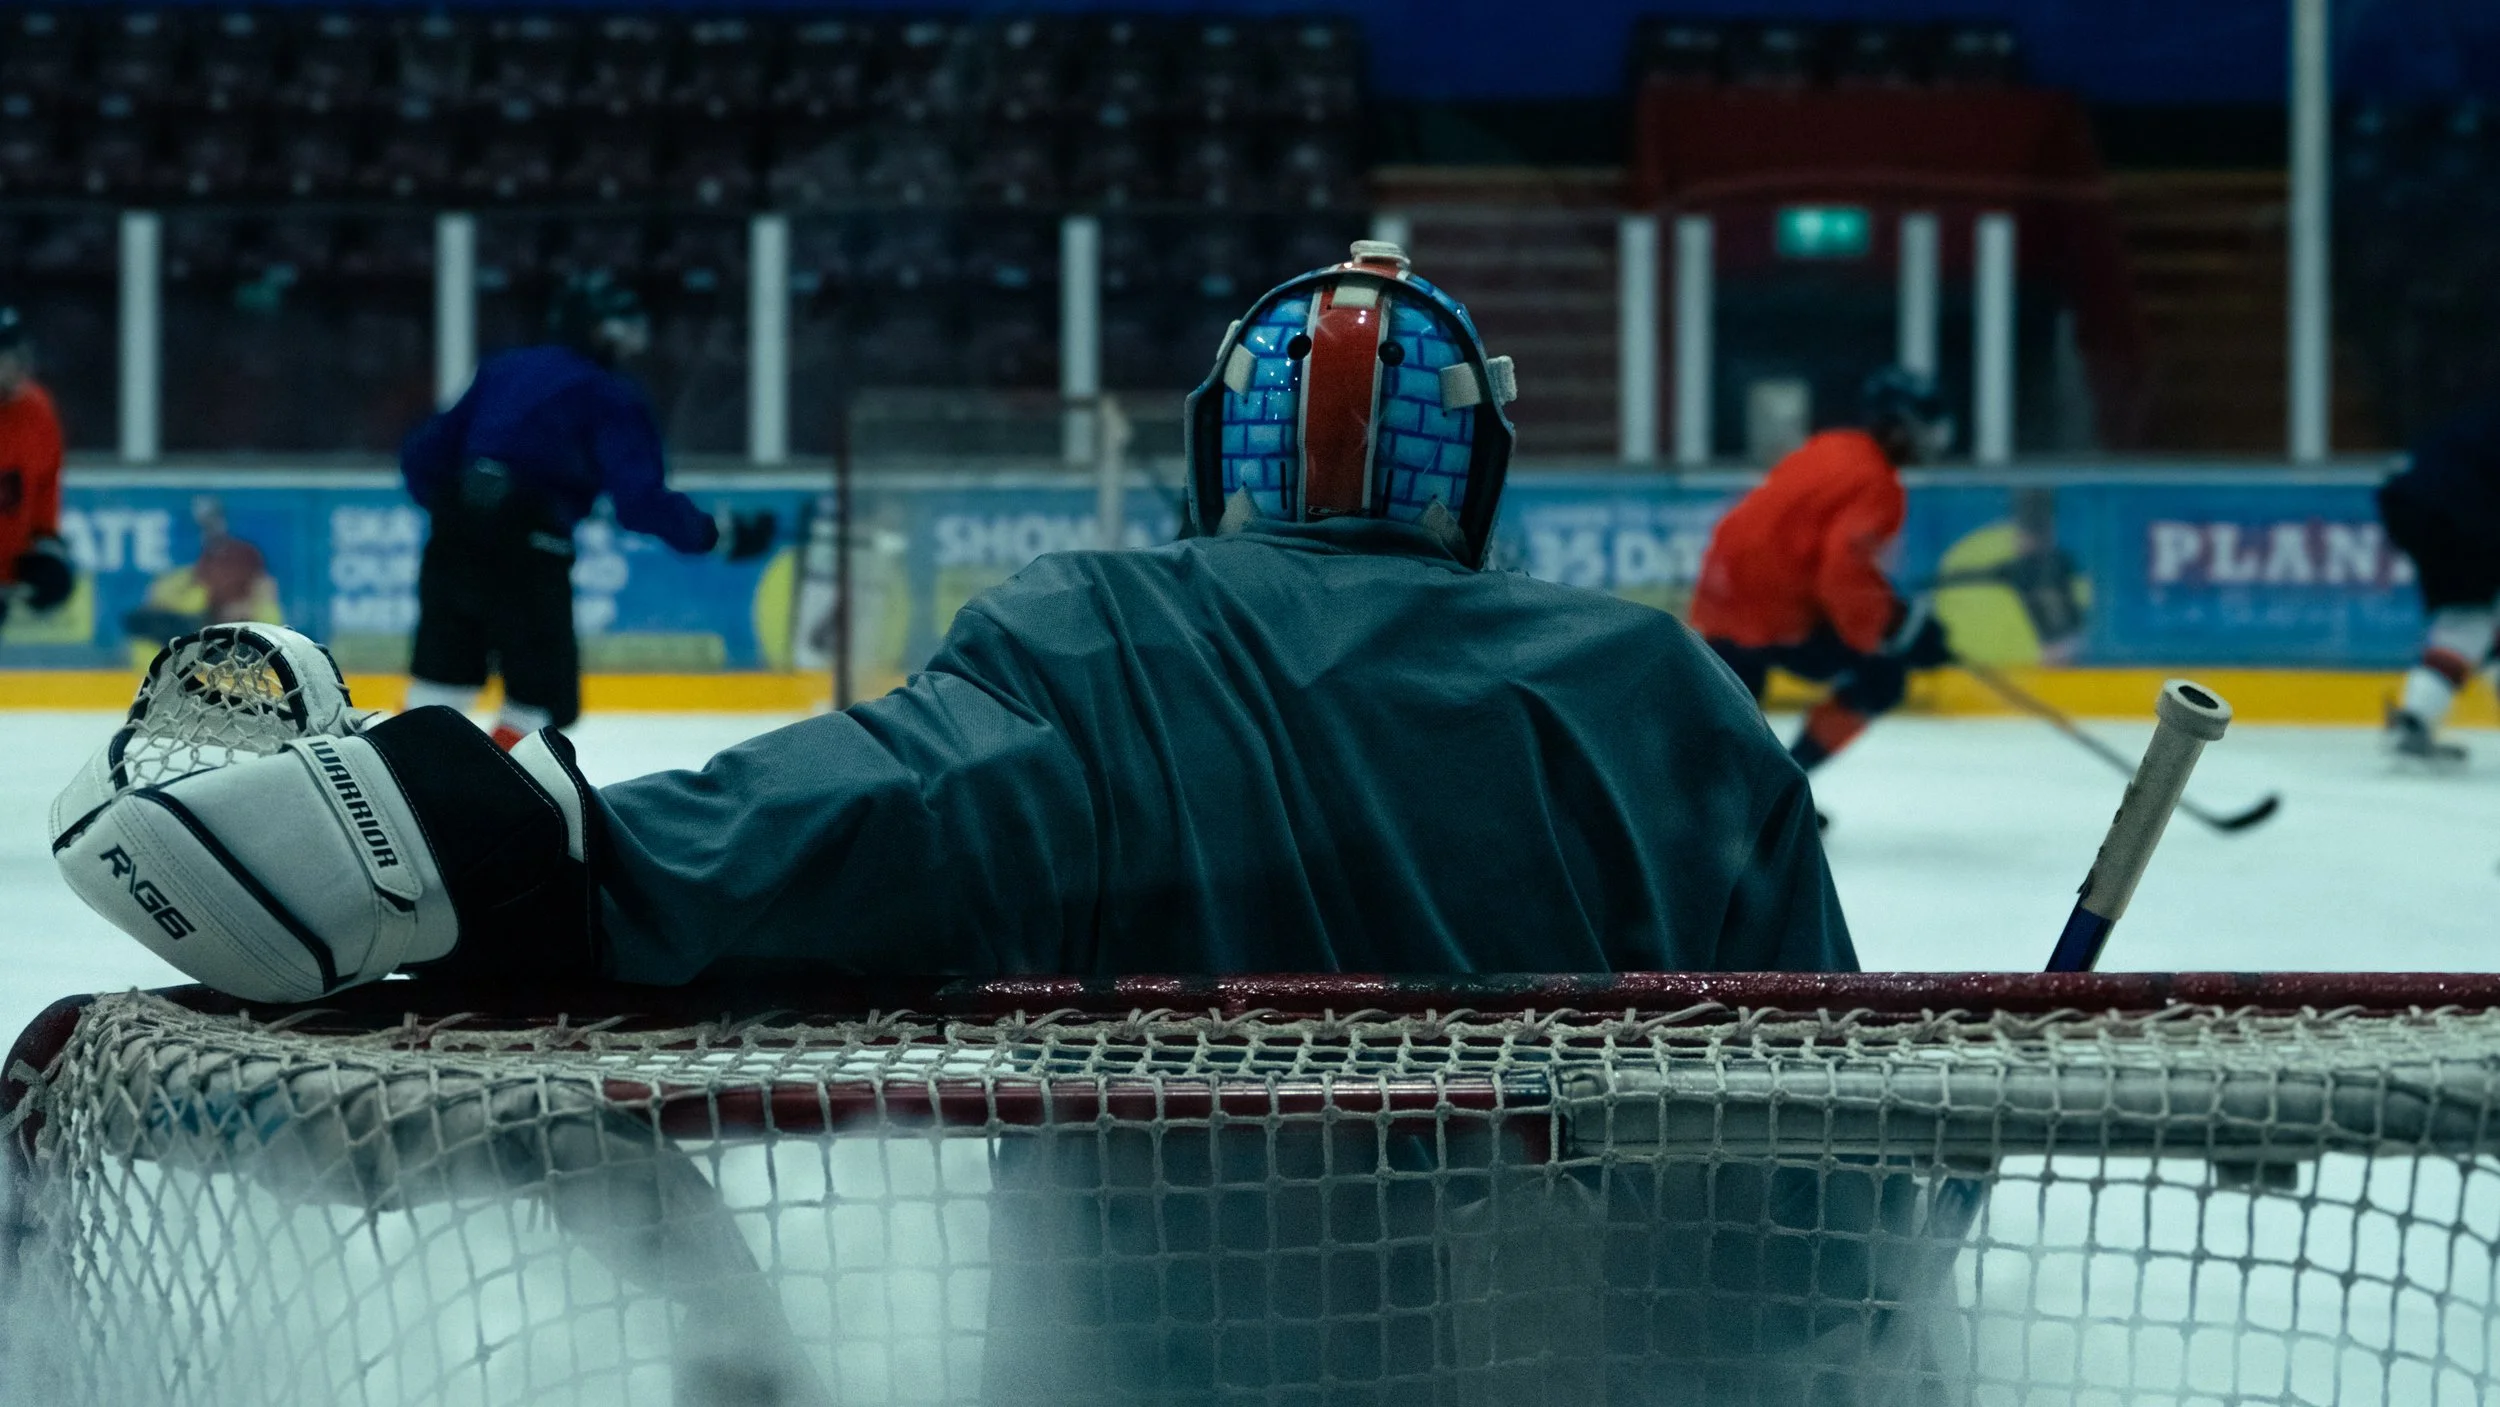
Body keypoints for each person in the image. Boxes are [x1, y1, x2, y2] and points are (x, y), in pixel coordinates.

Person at [57, 245, 1955, 1404]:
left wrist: (453, 836)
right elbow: (1836, 1171)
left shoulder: (1105, 645)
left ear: (1220, 453)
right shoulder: (1660, 701)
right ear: (1486, 482)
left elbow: (733, 857)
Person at [399, 270, 777, 747]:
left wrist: (465, 512)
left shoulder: (504, 369)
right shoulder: (608, 393)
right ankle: (490, 798)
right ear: (600, 329)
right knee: (539, 698)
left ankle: (396, 789)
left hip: (453, 538)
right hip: (532, 549)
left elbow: (420, 458)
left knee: (439, 686)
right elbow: (639, 502)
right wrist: (715, 534)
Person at [1690, 368, 1958, 792]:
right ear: (1897, 427)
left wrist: (1891, 615)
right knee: (1881, 680)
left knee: (1734, 710)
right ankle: (1781, 790)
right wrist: (1893, 631)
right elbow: (1843, 570)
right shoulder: (1879, 483)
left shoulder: (1831, 447)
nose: (1935, 439)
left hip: (1723, 596)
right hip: (1776, 610)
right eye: (1927, 426)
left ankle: (1725, 804)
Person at [2378, 401, 2500, 763]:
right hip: (2457, 512)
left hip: (2415, 505)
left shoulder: (2480, 417)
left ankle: (2414, 721)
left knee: (2470, 620)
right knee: (2468, 622)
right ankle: (2413, 724)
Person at [0, 306, 71, 637]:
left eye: (19, 351)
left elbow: (44, 486)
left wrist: (45, 545)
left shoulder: (36, 409)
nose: (19, 364)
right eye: (7, 354)